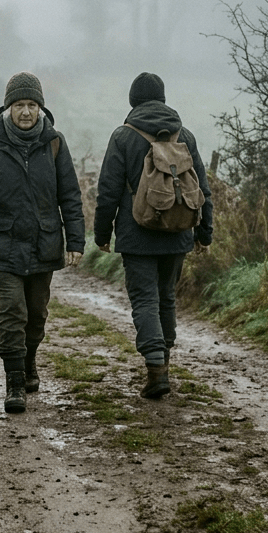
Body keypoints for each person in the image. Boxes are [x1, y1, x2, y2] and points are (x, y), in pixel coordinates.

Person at [0, 72, 85, 413]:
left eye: (31, 105)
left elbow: (70, 196)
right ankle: (14, 382)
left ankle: (29, 362)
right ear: (8, 108)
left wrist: (76, 240)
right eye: (19, 105)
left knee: (36, 316)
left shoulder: (55, 142)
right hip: (3, 245)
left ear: (40, 108)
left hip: (44, 243)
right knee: (13, 312)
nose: (26, 112)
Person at [94, 72, 213, 399]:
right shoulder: (183, 135)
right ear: (162, 98)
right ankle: (164, 363)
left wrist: (102, 235)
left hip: (136, 234)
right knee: (166, 297)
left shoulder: (123, 136)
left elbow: (107, 192)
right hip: (178, 232)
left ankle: (156, 369)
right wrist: (205, 234)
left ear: (133, 100)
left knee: (145, 299)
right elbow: (203, 189)